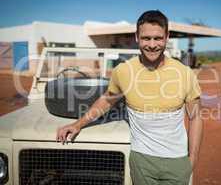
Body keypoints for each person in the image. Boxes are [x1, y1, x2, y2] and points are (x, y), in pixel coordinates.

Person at [56, 10, 203, 185]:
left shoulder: (184, 73)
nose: (152, 44)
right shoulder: (124, 71)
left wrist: (192, 159)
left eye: (158, 38)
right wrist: (77, 124)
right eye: (146, 38)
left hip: (177, 161)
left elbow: (196, 117)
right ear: (137, 37)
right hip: (141, 161)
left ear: (167, 37)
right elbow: (107, 100)